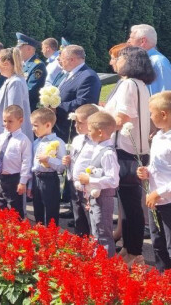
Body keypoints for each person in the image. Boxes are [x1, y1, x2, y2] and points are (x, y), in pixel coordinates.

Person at [104, 45, 154, 266]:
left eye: (120, 57)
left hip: (125, 149)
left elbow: (122, 117)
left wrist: (99, 124)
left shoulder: (128, 85)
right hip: (136, 149)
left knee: (130, 205)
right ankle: (128, 248)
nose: (115, 62)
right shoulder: (140, 84)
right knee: (127, 203)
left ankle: (135, 252)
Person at [138, 91, 171, 283]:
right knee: (158, 244)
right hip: (157, 201)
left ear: (164, 114)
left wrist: (158, 192)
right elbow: (158, 166)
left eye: (152, 113)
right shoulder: (159, 137)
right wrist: (147, 171)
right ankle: (164, 283)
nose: (150, 117)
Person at [75, 111, 120, 257]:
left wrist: (90, 180)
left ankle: (106, 264)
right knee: (96, 231)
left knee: (103, 233)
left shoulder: (107, 153)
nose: (88, 134)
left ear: (100, 132)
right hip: (94, 196)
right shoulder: (99, 148)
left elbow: (113, 180)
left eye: (90, 131)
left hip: (103, 198)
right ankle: (97, 261)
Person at [0, 105, 31, 219]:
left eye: (10, 121)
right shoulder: (1, 137)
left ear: (20, 121)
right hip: (0, 176)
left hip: (14, 178)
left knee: (14, 206)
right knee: (0, 203)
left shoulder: (23, 140)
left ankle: (16, 230)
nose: (6, 124)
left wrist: (23, 181)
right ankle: (3, 229)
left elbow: (26, 162)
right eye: (4, 121)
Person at [63, 104, 101, 237]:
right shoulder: (77, 139)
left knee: (91, 215)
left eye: (80, 123)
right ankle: (81, 239)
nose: (76, 126)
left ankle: (94, 240)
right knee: (78, 213)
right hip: (75, 182)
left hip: (88, 186)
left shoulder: (97, 142)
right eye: (75, 122)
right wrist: (68, 160)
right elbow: (75, 157)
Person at [54, 45, 101, 142]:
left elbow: (84, 103)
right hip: (60, 128)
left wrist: (56, 107)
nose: (60, 61)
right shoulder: (66, 74)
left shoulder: (88, 76)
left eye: (62, 58)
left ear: (72, 60)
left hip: (72, 130)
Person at [30, 107, 66, 226]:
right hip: (36, 178)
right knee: (38, 208)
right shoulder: (36, 142)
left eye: (36, 125)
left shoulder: (57, 142)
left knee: (51, 209)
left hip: (49, 178)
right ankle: (40, 233)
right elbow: (32, 164)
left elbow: (62, 166)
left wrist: (49, 160)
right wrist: (30, 185)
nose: (33, 128)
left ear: (48, 125)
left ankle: (51, 235)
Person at [0, 48, 33, 139]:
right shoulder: (11, 80)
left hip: (12, 136)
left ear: (6, 64)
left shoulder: (15, 82)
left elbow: (13, 113)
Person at [128, 24, 171, 95]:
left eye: (131, 38)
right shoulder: (140, 60)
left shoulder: (159, 62)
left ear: (143, 41)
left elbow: (164, 95)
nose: (128, 41)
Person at [16, 33, 46, 112]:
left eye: (20, 48)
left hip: (28, 108)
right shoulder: (22, 64)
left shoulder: (38, 65)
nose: (17, 51)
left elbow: (31, 89)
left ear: (29, 49)